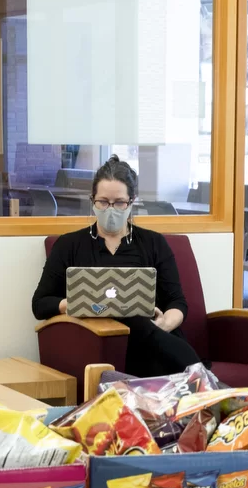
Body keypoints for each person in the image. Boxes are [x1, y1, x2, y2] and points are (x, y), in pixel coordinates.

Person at [31, 156, 201, 377]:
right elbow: (40, 304)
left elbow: (178, 302)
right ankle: (201, 377)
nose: (110, 209)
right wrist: (78, 304)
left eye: (119, 202)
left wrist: (162, 325)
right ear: (92, 201)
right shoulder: (68, 245)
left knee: (139, 321)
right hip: (99, 342)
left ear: (132, 202)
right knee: (131, 317)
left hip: (155, 345)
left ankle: (192, 380)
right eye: (103, 201)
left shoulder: (154, 243)